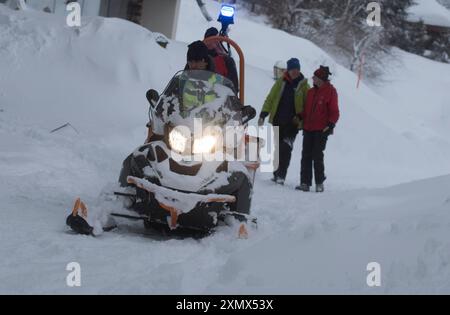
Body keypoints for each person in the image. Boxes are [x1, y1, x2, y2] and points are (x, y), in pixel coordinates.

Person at [258, 58, 310, 185]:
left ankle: (281, 175)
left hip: (293, 123)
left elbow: (308, 105)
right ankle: (276, 174)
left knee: (286, 148)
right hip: (278, 120)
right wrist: (263, 114)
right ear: (288, 70)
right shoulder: (281, 82)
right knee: (277, 148)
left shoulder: (304, 86)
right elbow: (270, 98)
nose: (294, 72)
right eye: (292, 69)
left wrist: (301, 117)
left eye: (297, 69)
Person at [296, 66, 340, 193]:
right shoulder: (310, 92)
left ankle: (319, 183)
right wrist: (300, 116)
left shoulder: (331, 91)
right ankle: (305, 183)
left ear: (320, 79)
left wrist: (331, 124)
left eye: (314, 77)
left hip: (322, 130)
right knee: (306, 156)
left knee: (317, 156)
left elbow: (335, 111)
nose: (313, 79)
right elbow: (307, 110)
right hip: (308, 128)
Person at [203, 27, 240, 93]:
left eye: (214, 41)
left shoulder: (227, 61)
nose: (212, 44)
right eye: (209, 41)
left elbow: (233, 87)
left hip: (221, 98)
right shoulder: (198, 57)